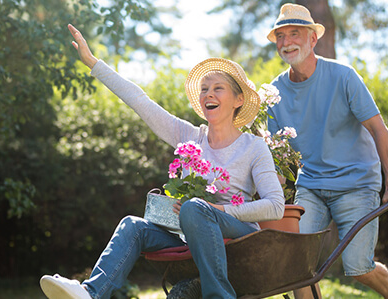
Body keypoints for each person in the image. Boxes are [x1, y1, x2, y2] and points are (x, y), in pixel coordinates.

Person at [39, 24, 286, 299]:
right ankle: (91, 292)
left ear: (239, 99)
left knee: (195, 208)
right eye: (204, 89)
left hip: (238, 236)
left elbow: (275, 207)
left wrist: (218, 209)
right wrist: (93, 63)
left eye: (218, 88)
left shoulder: (254, 147)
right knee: (133, 225)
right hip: (189, 233)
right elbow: (141, 102)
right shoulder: (191, 137)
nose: (208, 95)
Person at [265, 3, 388, 299]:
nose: (287, 42)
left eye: (295, 34)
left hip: (356, 183)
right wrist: (271, 197)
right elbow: (278, 158)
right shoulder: (274, 93)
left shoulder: (343, 76)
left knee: (358, 267)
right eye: (281, 36)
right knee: (296, 265)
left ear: (312, 39)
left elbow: (379, 129)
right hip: (312, 186)